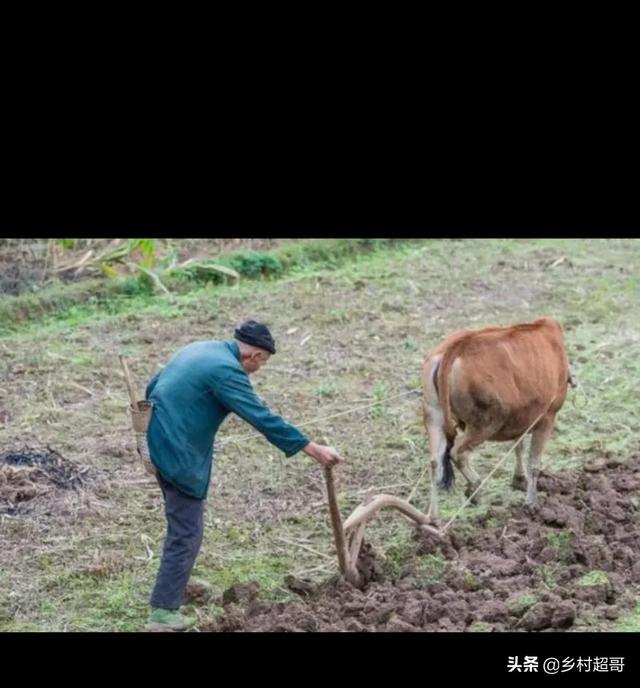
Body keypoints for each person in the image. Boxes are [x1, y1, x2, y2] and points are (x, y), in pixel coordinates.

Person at [145, 320, 343, 632]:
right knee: (187, 530)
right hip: (178, 452)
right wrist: (311, 448)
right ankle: (163, 613)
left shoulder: (203, 349)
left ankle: (176, 583)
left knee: (182, 522)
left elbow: (153, 385)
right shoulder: (227, 371)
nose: (259, 368)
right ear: (254, 356)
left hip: (158, 440)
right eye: (262, 361)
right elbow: (260, 416)